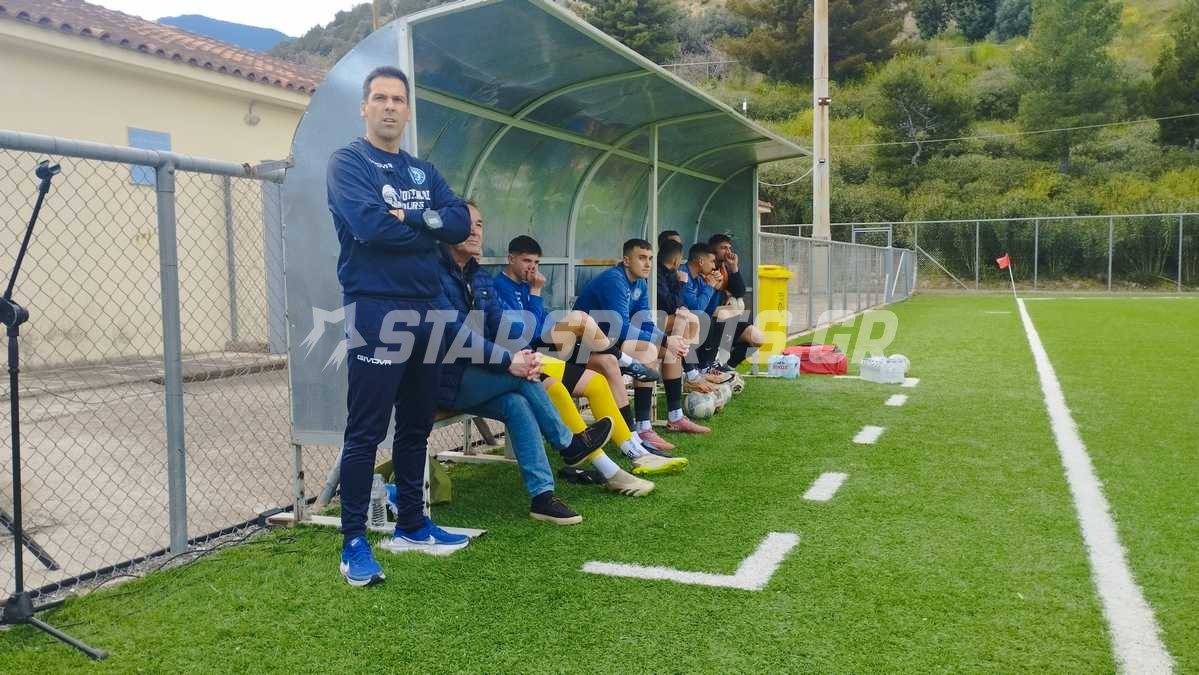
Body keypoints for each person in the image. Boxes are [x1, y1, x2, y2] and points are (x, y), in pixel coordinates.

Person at [326, 66, 470, 586]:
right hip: (376, 308)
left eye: (397, 100)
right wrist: (431, 230)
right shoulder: (348, 162)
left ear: (408, 112)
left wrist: (408, 219)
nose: (389, 106)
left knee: (416, 424)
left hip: (426, 307)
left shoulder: (422, 171)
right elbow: (368, 226)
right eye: (380, 98)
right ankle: (354, 542)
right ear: (364, 107)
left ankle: (412, 523)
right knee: (366, 430)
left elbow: (459, 223)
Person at [438, 206, 659, 513]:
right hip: (449, 376)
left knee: (523, 401)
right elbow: (463, 336)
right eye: (467, 223)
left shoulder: (478, 277)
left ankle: (544, 495)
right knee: (535, 374)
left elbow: (508, 328)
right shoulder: (443, 275)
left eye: (479, 224)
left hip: (504, 361)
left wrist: (524, 347)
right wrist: (514, 359)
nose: (475, 231)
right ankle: (576, 448)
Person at [491, 232, 685, 473]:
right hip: (528, 355)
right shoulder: (500, 287)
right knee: (579, 319)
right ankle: (626, 361)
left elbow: (541, 322)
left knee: (608, 363)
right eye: (526, 261)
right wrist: (536, 293)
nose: (533, 268)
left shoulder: (526, 286)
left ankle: (633, 442)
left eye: (537, 262)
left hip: (561, 347)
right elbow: (525, 333)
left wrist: (536, 297)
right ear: (511, 259)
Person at [574, 239, 710, 454]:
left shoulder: (640, 283)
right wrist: (664, 339)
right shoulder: (615, 280)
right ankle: (643, 428)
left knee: (669, 351)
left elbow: (645, 323)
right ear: (626, 260)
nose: (648, 264)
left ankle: (675, 416)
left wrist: (667, 341)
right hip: (587, 346)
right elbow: (620, 328)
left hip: (611, 341)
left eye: (650, 258)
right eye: (642, 258)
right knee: (648, 352)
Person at [656, 239, 725, 393]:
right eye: (712, 261)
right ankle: (694, 372)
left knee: (713, 319)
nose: (714, 266)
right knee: (692, 319)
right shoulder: (680, 274)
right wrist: (707, 287)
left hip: (669, 321)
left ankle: (701, 369)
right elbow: (693, 307)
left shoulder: (697, 278)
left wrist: (715, 288)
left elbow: (708, 308)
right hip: (655, 322)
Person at [696, 234, 765, 372]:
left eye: (729, 248)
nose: (728, 252)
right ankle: (708, 367)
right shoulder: (702, 271)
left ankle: (728, 367)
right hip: (708, 321)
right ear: (713, 250)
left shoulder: (724, 268)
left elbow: (739, 291)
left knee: (757, 338)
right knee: (725, 313)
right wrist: (715, 288)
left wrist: (734, 267)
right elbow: (700, 304)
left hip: (724, 320)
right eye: (723, 248)